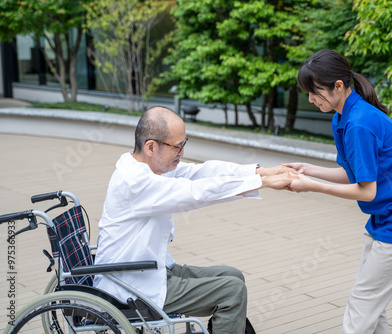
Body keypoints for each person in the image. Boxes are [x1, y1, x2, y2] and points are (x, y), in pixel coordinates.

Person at [93, 106, 295, 334]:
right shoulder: (135, 182)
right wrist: (264, 183)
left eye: (183, 144)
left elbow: (202, 172)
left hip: (150, 268)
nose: (181, 152)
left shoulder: (150, 168)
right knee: (232, 291)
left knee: (232, 276)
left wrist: (263, 172)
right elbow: (196, 192)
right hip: (130, 284)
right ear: (151, 147)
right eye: (177, 146)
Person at [284, 49, 392, 333]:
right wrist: (307, 169)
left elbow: (366, 191)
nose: (310, 99)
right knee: (371, 305)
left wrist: (312, 186)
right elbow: (352, 174)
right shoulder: (343, 117)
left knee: (363, 303)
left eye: (314, 92)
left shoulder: (359, 123)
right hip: (384, 218)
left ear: (338, 86)